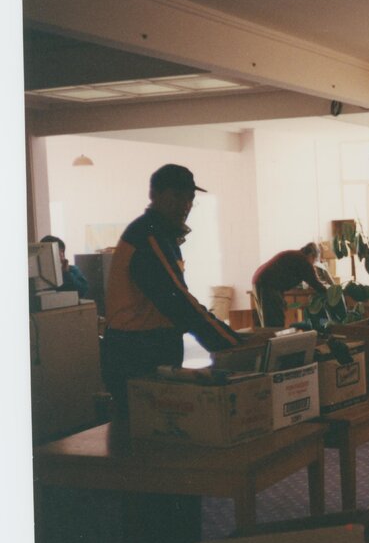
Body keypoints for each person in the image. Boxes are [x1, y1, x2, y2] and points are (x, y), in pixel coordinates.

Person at [102, 163, 244, 414]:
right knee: (146, 437)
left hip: (149, 346)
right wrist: (231, 344)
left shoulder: (161, 235)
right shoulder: (148, 237)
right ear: (154, 195)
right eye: (177, 196)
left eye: (190, 198)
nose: (185, 205)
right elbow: (177, 301)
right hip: (137, 352)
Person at [252, 242, 328, 328]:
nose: (313, 264)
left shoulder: (295, 255)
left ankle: (270, 339)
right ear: (311, 255)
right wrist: (328, 292)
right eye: (314, 260)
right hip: (267, 283)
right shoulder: (303, 260)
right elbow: (315, 283)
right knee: (275, 322)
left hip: (259, 280)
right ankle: (275, 340)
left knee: (268, 320)